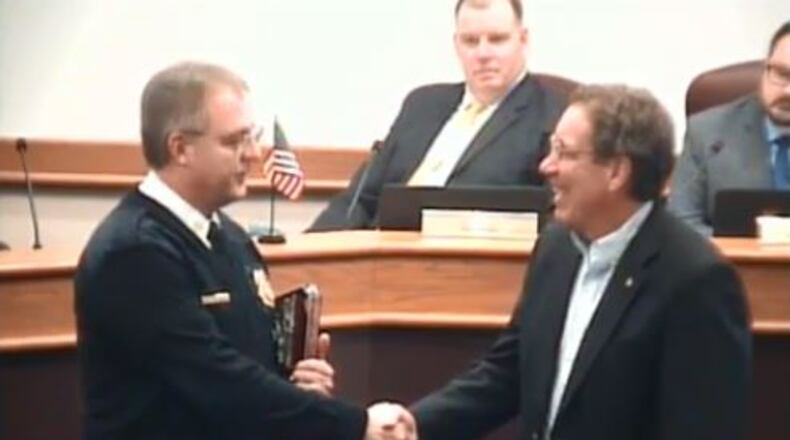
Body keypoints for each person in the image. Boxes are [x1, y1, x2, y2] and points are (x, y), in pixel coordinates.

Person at [379, 85, 752, 440]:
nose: (546, 166)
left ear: (616, 172)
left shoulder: (695, 279)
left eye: (564, 152)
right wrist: (415, 424)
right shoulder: (557, 247)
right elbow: (508, 372)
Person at [74, 61, 411, 440]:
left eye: (252, 137)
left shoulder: (230, 238)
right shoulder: (135, 253)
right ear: (180, 148)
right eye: (234, 141)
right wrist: (354, 425)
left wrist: (296, 383)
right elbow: (216, 380)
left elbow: (249, 366)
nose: (252, 154)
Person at [309, 0, 567, 231]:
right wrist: (302, 257)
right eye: (470, 41)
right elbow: (359, 200)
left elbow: (555, 219)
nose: (483, 54)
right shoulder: (421, 105)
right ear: (456, 45)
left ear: (523, 40)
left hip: (467, 268)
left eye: (497, 39)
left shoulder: (552, 112)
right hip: (377, 259)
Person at [669, 21, 790, 235]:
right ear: (765, 70)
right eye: (781, 74)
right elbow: (681, 222)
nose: (787, 91)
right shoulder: (707, 133)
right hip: (730, 265)